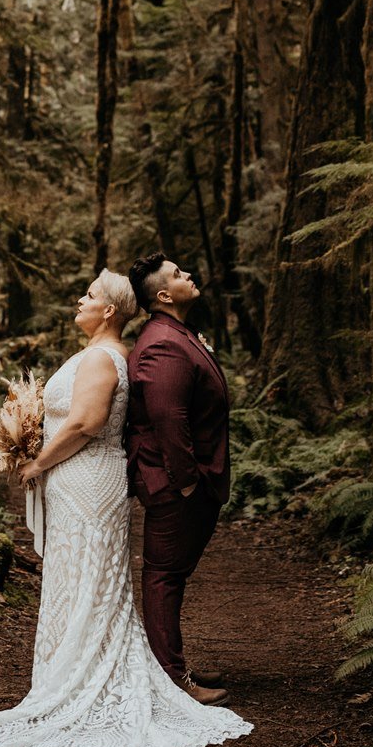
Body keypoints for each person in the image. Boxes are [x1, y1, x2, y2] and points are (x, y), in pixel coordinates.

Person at [0, 268, 251, 747]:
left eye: (87, 295)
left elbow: (86, 422)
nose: (77, 301)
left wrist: (38, 462)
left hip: (88, 481)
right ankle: (71, 671)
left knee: (88, 577)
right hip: (79, 480)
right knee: (75, 577)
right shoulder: (98, 355)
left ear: (108, 310)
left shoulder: (105, 358)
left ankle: (88, 677)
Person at [125, 252, 231, 702]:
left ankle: (170, 664)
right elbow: (169, 418)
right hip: (175, 484)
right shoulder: (163, 343)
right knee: (164, 577)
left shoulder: (177, 334)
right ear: (164, 295)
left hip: (188, 481)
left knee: (172, 576)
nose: (189, 274)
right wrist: (188, 482)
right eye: (177, 274)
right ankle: (171, 680)